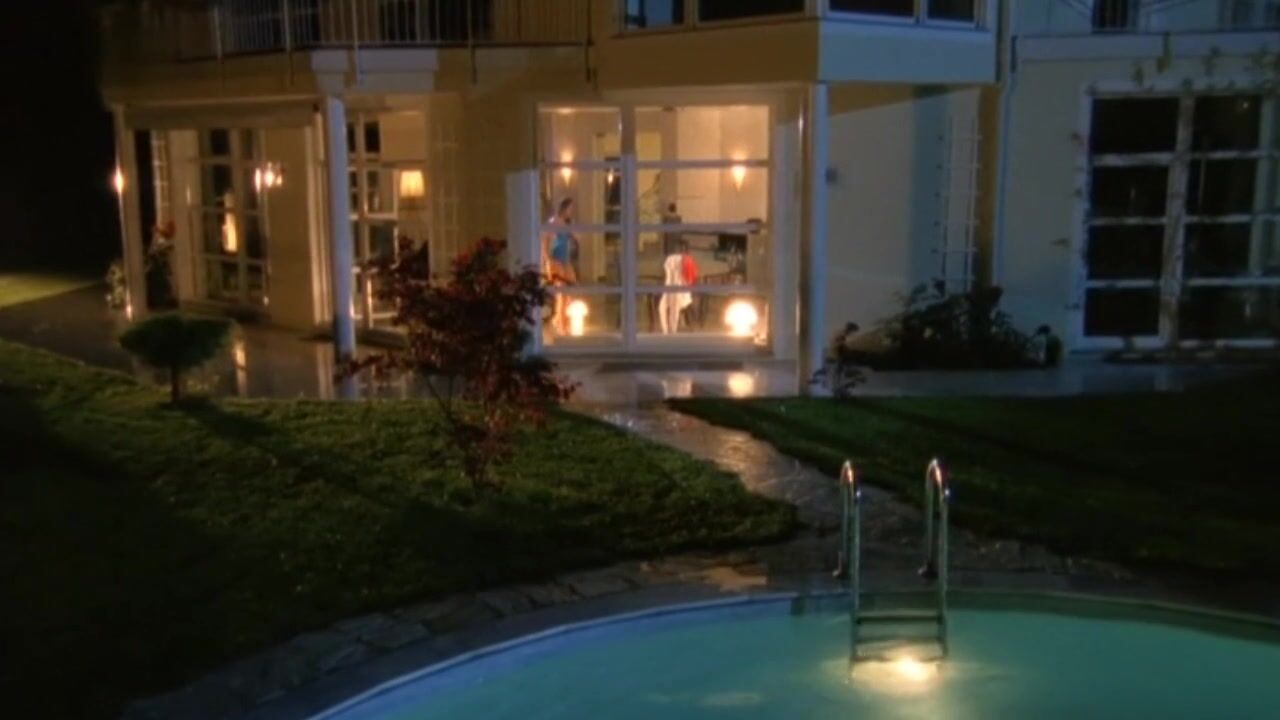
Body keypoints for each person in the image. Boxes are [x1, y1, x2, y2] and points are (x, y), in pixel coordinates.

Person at [542, 198, 578, 335]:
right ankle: (560, 323)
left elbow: (576, 238)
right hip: (556, 260)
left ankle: (565, 321)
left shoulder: (567, 223)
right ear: (564, 208)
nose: (571, 211)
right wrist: (547, 258)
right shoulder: (554, 222)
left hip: (565, 260)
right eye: (570, 208)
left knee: (570, 289)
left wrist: (572, 231)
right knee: (561, 292)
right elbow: (546, 240)